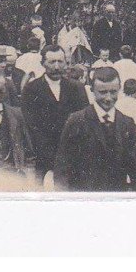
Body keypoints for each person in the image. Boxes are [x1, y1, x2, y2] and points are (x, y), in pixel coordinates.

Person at [54, 66, 136, 192]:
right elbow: (62, 167)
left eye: (113, 92)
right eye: (102, 92)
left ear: (119, 90)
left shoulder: (127, 124)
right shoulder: (77, 121)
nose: (108, 98)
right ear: (92, 90)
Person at [21, 45, 89, 181]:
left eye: (60, 61)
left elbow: (84, 120)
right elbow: (31, 125)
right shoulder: (31, 89)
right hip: (43, 158)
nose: (57, 67)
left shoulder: (77, 88)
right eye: (52, 62)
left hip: (73, 155)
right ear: (43, 64)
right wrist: (49, 156)